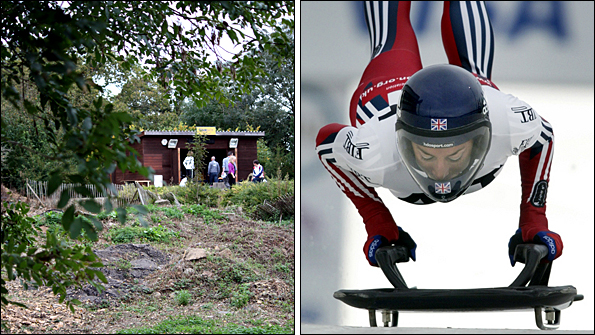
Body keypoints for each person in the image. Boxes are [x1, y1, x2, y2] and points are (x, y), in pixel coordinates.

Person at [315, 1, 562, 268]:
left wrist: (533, 218)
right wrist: (376, 220)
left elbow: (543, 136)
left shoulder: (507, 118)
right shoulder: (373, 149)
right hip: (388, 101)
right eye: (426, 154)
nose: (441, 172)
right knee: (405, 43)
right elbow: (326, 143)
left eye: (454, 154)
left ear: (482, 139)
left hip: (393, 91)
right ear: (403, 142)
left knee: (391, 39)